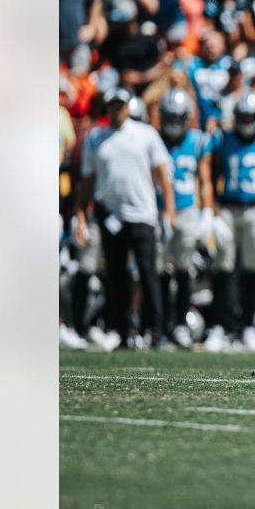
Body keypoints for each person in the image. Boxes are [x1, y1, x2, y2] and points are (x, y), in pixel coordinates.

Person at [74, 87, 176, 349]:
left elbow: (162, 173)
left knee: (148, 272)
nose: (117, 109)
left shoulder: (145, 134)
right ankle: (121, 330)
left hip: (142, 213)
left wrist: (169, 210)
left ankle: (155, 330)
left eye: (121, 105)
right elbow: (86, 181)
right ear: (107, 108)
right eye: (113, 105)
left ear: (128, 107)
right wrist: (80, 214)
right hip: (111, 216)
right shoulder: (96, 139)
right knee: (116, 276)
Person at [207, 92, 255, 353]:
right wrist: (214, 213)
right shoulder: (224, 140)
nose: (246, 120)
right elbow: (213, 175)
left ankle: (247, 326)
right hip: (228, 207)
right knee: (223, 269)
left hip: (254, 210)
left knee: (252, 271)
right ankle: (221, 326)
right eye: (242, 116)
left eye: (250, 116)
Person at [156, 87, 214, 348]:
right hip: (158, 211)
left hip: (188, 210)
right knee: (155, 271)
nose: (173, 123)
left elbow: (205, 179)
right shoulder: (153, 139)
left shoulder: (198, 140)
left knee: (183, 271)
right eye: (169, 116)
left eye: (177, 117)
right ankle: (154, 325)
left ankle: (179, 323)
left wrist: (207, 211)